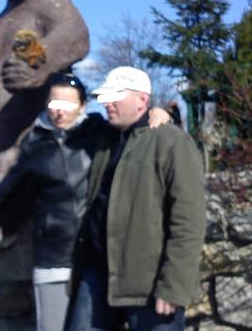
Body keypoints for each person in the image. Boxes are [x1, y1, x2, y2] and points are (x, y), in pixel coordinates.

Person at [0, 73, 169, 331]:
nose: (59, 112)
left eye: (67, 104)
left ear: (83, 106)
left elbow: (134, 130)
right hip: (56, 258)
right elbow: (7, 190)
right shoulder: (35, 143)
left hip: (97, 261)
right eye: (54, 104)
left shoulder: (100, 132)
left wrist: (159, 113)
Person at [66, 66, 206, 331]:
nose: (107, 103)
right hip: (97, 274)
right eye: (105, 97)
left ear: (142, 99)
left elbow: (189, 220)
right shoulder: (104, 139)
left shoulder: (171, 142)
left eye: (115, 96)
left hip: (148, 283)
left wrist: (173, 286)